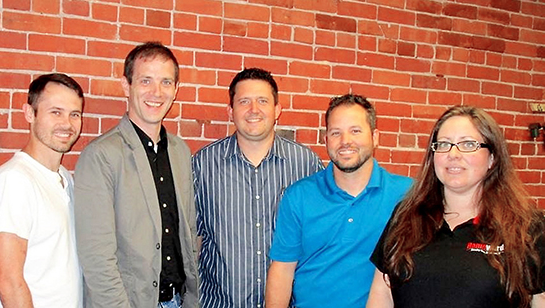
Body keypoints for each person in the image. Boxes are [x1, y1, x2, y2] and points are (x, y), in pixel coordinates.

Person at [367, 106, 545, 308]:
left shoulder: (528, 228)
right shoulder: (406, 217)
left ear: (492, 158)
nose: (453, 153)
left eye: (468, 144)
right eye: (443, 144)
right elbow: (381, 295)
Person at [74, 41, 198, 308]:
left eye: (166, 82)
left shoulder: (180, 151)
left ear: (176, 90)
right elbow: (97, 258)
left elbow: (188, 232)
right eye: (146, 81)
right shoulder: (101, 156)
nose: (157, 92)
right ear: (126, 86)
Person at [265, 94, 413, 308]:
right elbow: (282, 270)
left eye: (355, 131)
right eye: (336, 133)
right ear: (326, 140)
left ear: (375, 136)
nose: (345, 141)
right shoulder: (298, 196)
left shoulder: (407, 195)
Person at [193, 67, 324, 308]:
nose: (254, 110)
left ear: (277, 110)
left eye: (262, 101)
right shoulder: (203, 165)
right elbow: (194, 239)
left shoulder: (307, 165)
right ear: (231, 111)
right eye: (244, 101)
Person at [0, 73, 84, 308]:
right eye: (56, 112)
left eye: (74, 114)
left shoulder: (64, 179)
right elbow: (8, 280)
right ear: (30, 113)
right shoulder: (14, 180)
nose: (67, 124)